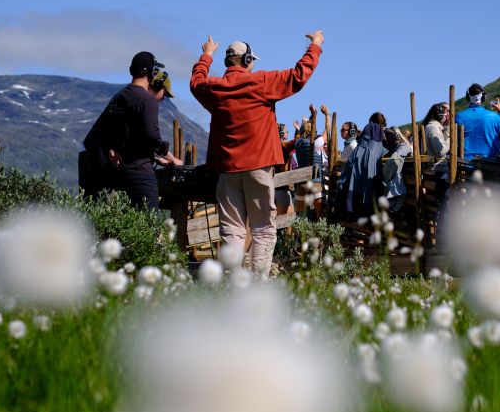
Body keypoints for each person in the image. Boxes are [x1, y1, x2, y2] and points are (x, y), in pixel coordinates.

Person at [190, 31, 324, 280]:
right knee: (262, 228)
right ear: (248, 59)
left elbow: (196, 82)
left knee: (232, 229)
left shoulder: (215, 89)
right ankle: (256, 283)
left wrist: (206, 55)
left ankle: (234, 280)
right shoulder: (261, 83)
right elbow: (298, 75)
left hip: (227, 170)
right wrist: (315, 46)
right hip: (259, 167)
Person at [82, 51, 181, 210]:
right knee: (149, 226)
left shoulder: (120, 96)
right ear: (153, 72)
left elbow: (109, 133)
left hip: (112, 171)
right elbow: (152, 136)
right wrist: (171, 157)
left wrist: (155, 158)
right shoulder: (147, 100)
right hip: (139, 173)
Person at [337, 112, 388, 218]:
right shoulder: (383, 133)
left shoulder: (369, 128)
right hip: (376, 164)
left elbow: (362, 146)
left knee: (350, 181)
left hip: (362, 161)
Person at [455, 83, 500, 160]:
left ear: (468, 97)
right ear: (483, 97)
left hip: (464, 163)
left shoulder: (459, 117)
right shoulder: (493, 116)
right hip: (489, 164)